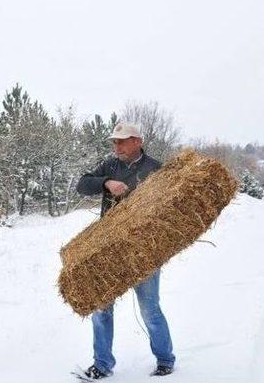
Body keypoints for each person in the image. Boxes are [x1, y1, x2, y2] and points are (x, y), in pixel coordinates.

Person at [75, 122, 176, 379]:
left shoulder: (156, 169)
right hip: (109, 250)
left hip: (145, 252)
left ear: (137, 141)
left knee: (150, 309)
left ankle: (165, 360)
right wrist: (107, 183)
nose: (116, 145)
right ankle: (102, 364)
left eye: (121, 141)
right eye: (114, 141)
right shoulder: (110, 166)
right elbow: (82, 185)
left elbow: (171, 208)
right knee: (101, 308)